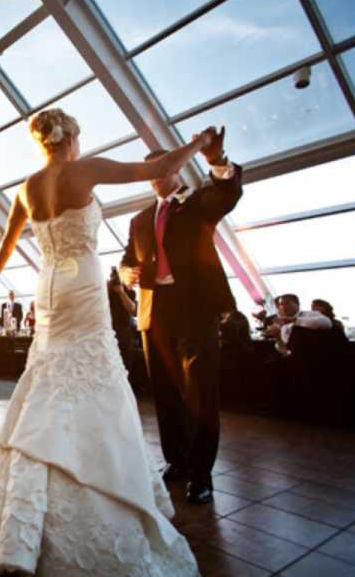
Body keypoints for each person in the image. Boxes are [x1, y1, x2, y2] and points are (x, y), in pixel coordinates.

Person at [0, 108, 210, 575]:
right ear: (70, 136)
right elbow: (156, 168)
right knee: (94, 370)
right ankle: (96, 467)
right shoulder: (86, 169)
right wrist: (197, 144)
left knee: (49, 370)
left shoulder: (26, 187)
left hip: (49, 286)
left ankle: (28, 502)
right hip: (84, 284)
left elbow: (7, 243)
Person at [119, 127, 241, 506]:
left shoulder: (197, 203)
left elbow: (227, 193)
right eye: (149, 171)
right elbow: (127, 259)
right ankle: (177, 463)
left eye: (162, 169)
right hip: (154, 314)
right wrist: (126, 273)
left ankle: (202, 475)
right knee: (166, 395)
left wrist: (217, 161)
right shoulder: (139, 220)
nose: (156, 177)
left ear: (175, 171)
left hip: (195, 309)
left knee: (201, 396)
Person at [265, 293, 333, 355]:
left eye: (287, 303)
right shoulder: (283, 325)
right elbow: (286, 351)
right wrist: (278, 337)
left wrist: (294, 320)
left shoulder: (308, 314)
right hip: (299, 359)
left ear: (297, 304)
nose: (283, 307)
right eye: (281, 304)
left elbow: (327, 323)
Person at [107, 267, 138, 372]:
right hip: (110, 336)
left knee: (127, 369)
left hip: (125, 337)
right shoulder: (106, 293)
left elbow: (133, 310)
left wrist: (121, 292)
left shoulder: (130, 292)